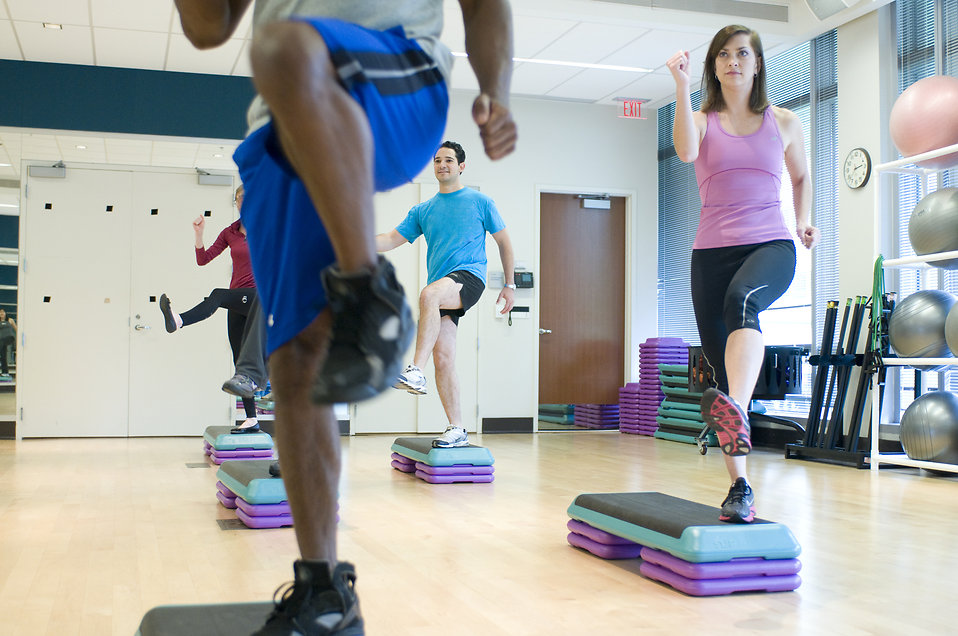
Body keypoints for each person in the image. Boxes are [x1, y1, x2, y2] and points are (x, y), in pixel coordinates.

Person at [173, 1, 517, 634]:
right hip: (281, 130)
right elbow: (206, 28)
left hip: (393, 71)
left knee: (283, 49)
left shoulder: (474, 199)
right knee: (295, 361)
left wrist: (496, 89)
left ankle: (368, 296)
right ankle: (324, 592)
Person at [667, 25, 819, 524]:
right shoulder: (701, 121)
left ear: (757, 65)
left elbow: (800, 176)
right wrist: (678, 84)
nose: (734, 61)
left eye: (743, 54)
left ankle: (735, 409)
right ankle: (741, 487)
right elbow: (686, 153)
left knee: (743, 303)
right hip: (710, 255)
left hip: (770, 246)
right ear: (714, 66)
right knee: (720, 362)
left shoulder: (785, 122)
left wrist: (803, 218)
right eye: (724, 55)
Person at [378, 141, 515, 449]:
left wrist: (510, 285)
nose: (442, 165)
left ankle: (414, 371)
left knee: (428, 295)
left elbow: (504, 243)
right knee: (444, 358)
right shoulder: (423, 210)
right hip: (444, 287)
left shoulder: (480, 202)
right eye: (438, 160)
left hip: (469, 278)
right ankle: (458, 428)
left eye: (449, 160)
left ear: (461, 166)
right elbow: (389, 239)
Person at [159, 184, 262, 432]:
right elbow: (203, 259)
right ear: (236, 202)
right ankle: (252, 419)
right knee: (239, 358)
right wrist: (199, 235)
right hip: (237, 299)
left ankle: (180, 320)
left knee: (217, 295)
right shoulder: (230, 232)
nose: (244, 202)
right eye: (240, 198)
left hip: (259, 297)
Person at [0, 308, 16, 379]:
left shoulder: (10, 320)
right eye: (0, 312)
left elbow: (16, 329)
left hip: (9, 339)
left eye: (3, 312)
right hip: (1, 340)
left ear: (5, 313)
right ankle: (5, 372)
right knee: (3, 356)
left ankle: (5, 372)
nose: (1, 313)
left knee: (4, 354)